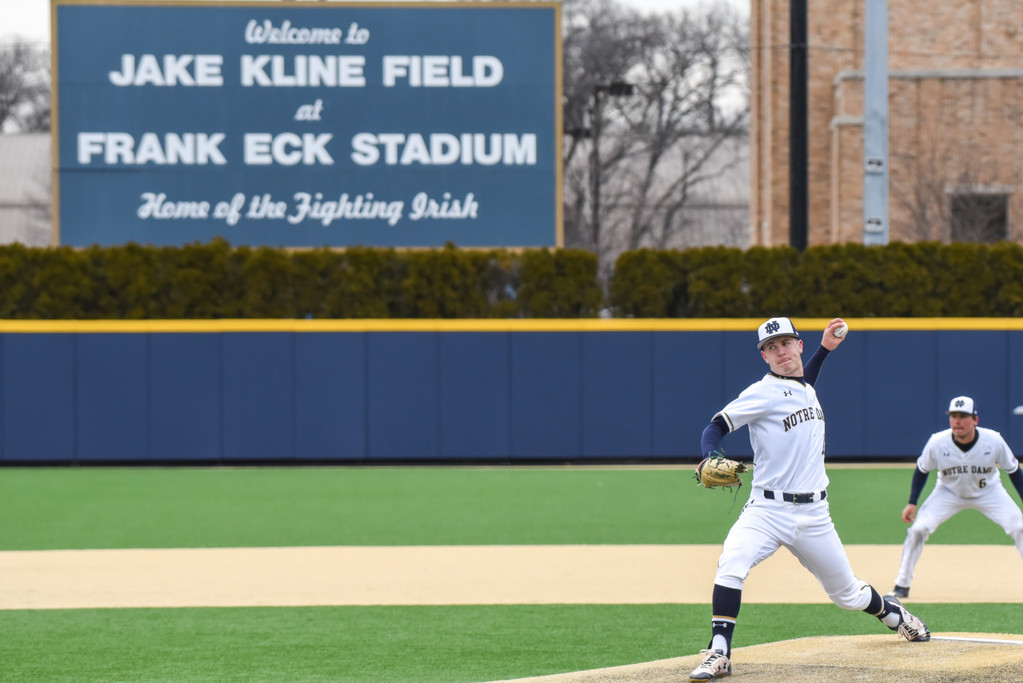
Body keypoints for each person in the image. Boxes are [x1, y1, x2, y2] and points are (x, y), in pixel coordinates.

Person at [689, 317, 930, 682]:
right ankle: (720, 651)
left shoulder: (804, 389)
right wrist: (710, 454)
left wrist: (825, 350)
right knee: (731, 563)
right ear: (764, 357)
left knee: (847, 593)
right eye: (771, 347)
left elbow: (802, 386)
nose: (780, 351)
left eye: (786, 343)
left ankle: (895, 615)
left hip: (815, 514)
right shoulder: (762, 391)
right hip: (767, 510)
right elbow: (716, 425)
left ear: (798, 346)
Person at [887, 395, 1023, 599]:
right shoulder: (937, 442)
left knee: (1019, 526)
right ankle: (902, 585)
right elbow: (922, 469)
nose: (957, 421)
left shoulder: (993, 440)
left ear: (975, 420)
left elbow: (1013, 470)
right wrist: (912, 502)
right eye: (953, 416)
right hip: (948, 493)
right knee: (918, 529)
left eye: (963, 416)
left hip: (989, 492)